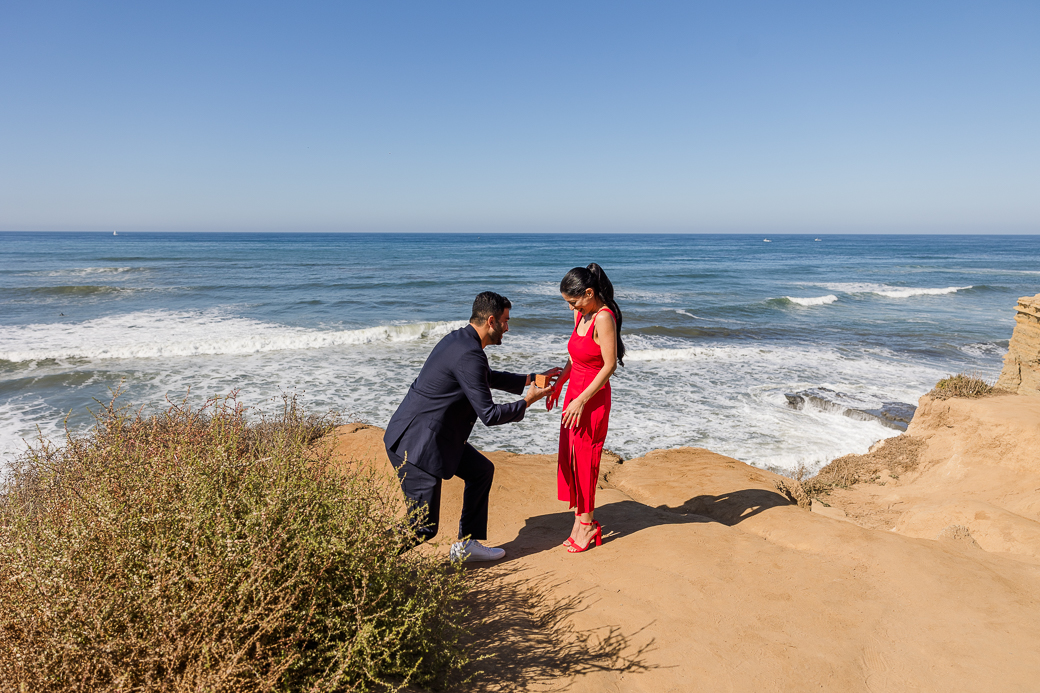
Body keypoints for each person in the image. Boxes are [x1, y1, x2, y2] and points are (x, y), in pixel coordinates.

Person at [384, 291, 559, 562]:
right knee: (423, 526)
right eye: (506, 320)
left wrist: (530, 378)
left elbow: (484, 377)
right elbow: (489, 414)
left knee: (481, 471)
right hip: (416, 446)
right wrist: (528, 401)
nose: (508, 327)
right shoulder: (469, 354)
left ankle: (466, 545)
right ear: (491, 320)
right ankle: (364, 560)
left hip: (433, 436)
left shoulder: (460, 340)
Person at [546, 264, 625, 553]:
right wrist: (559, 386)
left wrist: (581, 400)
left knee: (586, 460)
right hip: (574, 395)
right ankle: (580, 521)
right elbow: (574, 358)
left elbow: (609, 365)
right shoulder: (582, 313)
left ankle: (588, 524)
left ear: (589, 293)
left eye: (573, 301)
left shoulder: (604, 318)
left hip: (592, 400)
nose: (570, 308)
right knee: (571, 458)